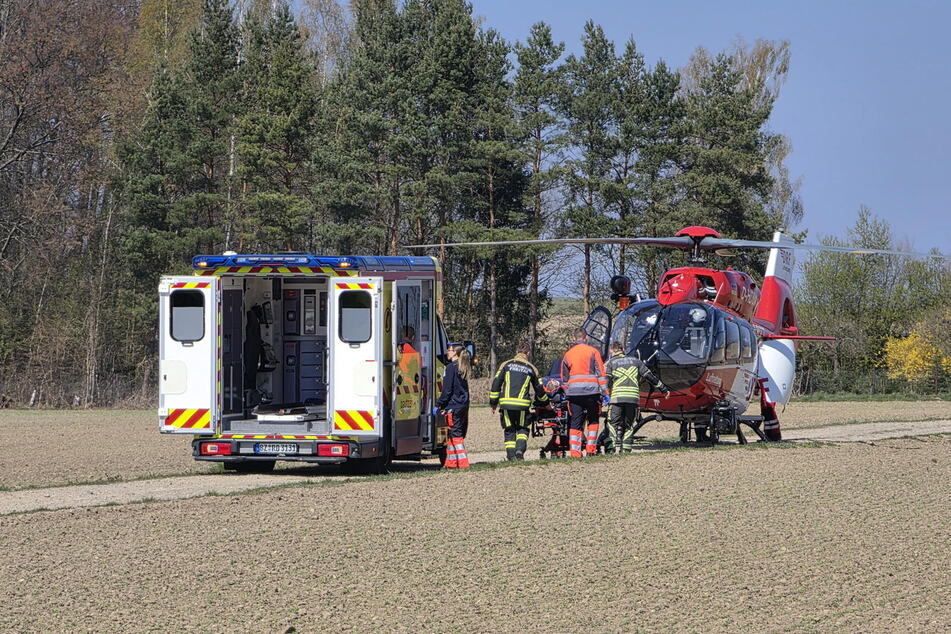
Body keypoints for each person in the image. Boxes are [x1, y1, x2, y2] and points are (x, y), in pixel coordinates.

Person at [604, 340, 669, 453]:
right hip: (633, 399)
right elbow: (650, 376)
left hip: (617, 399)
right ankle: (626, 450)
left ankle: (610, 450)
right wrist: (663, 389)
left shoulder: (611, 363)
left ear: (611, 350)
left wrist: (603, 395)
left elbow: (607, 382)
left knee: (612, 423)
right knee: (629, 425)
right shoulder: (636, 361)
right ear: (623, 350)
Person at [489, 341, 549, 460]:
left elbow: (496, 385)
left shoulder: (505, 365)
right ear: (528, 353)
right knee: (522, 429)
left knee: (509, 430)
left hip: (506, 404)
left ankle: (511, 456)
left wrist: (493, 403)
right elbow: (539, 390)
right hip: (522, 405)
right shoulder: (531, 368)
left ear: (516, 352)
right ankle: (519, 451)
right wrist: (546, 403)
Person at [560, 328, 607, 457]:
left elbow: (563, 379)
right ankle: (591, 450)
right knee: (593, 420)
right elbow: (601, 374)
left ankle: (575, 452)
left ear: (574, 339)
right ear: (586, 339)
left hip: (574, 394)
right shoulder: (593, 352)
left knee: (575, 421)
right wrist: (605, 392)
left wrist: (567, 392)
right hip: (592, 393)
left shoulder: (568, 354)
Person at [436, 344, 472, 469]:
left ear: (455, 353)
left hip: (453, 406)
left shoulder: (451, 367)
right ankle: (451, 463)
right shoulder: (463, 367)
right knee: (452, 434)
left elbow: (447, 390)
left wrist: (439, 404)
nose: (447, 352)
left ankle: (463, 463)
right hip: (462, 405)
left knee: (456, 434)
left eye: (450, 350)